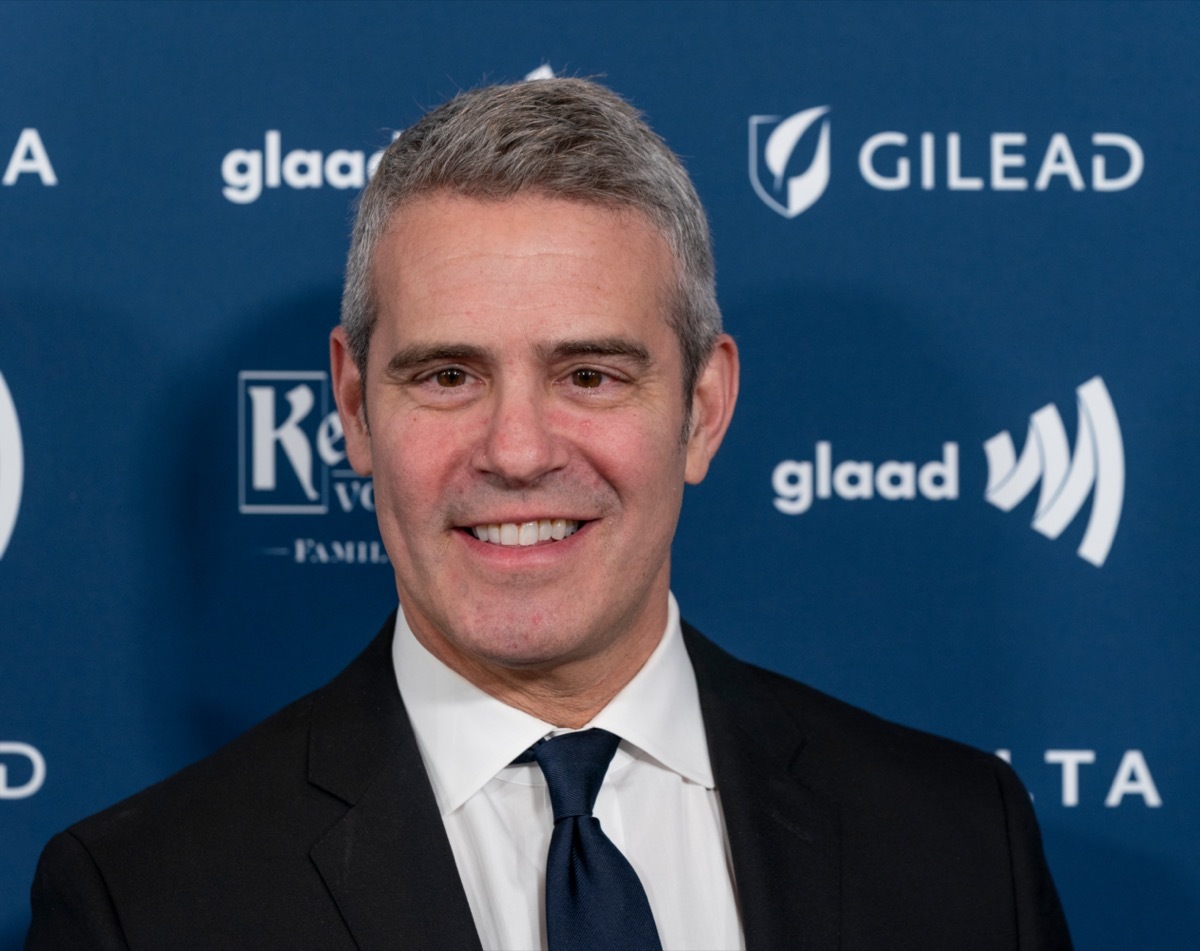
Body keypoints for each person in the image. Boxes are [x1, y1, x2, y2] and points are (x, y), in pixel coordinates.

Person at [26, 77, 1071, 950]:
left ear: (703, 410)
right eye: (446, 377)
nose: (518, 452)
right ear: (352, 408)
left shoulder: (961, 844)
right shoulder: (142, 903)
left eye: (590, 375)